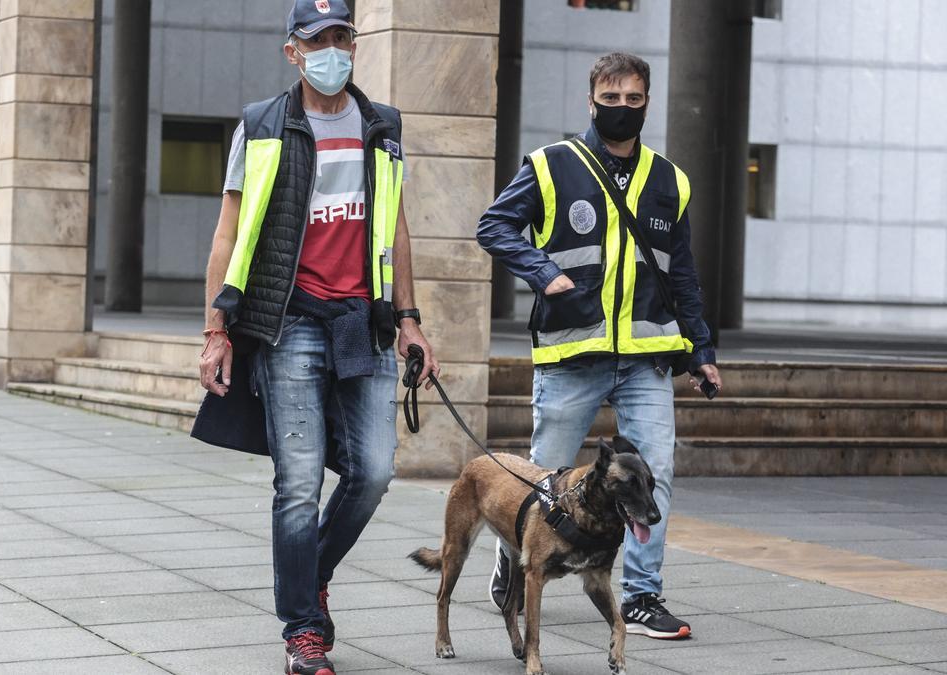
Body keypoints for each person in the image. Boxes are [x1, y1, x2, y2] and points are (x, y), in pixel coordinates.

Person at [195, 1, 438, 672]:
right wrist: (216, 327)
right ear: (292, 52)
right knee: (299, 482)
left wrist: (411, 318)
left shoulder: (383, 126)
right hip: (289, 320)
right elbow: (228, 231)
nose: (333, 50)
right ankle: (304, 629)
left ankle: (309, 576)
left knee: (374, 470)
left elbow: (394, 226)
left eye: (342, 38)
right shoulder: (262, 125)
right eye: (318, 40)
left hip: (365, 319)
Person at [476, 52, 722, 640]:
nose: (621, 109)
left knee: (653, 473)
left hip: (647, 357)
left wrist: (702, 352)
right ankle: (515, 564)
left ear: (646, 102)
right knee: (543, 480)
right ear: (591, 101)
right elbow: (494, 226)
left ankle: (640, 596)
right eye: (610, 100)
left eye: (633, 100)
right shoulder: (551, 164)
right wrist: (541, 272)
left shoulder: (670, 180)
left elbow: (681, 274)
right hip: (571, 356)